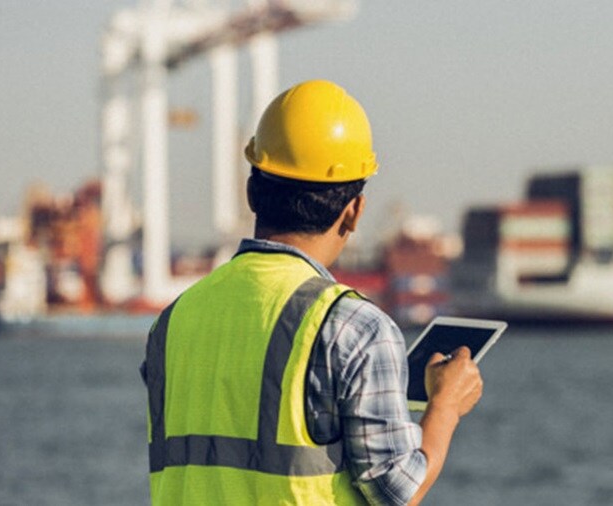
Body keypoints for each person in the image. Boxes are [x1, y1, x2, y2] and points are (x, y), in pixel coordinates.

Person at [142, 79, 483, 505]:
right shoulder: (354, 326)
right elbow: (397, 492)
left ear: (251, 192)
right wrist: (445, 405)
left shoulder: (173, 320)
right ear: (354, 211)